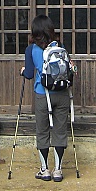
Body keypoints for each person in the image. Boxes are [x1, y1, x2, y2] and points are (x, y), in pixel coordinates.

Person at [20, 14, 70, 182]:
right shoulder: (60, 46)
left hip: (43, 94)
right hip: (62, 94)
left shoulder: (31, 49)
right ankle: (58, 170)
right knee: (60, 131)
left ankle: (44, 170)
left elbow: (28, 74)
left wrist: (23, 71)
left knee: (42, 131)